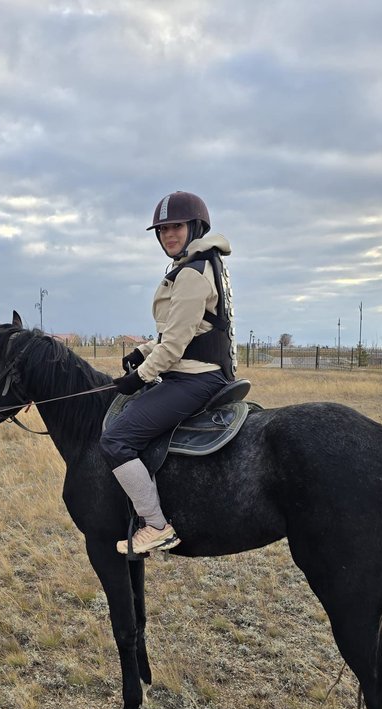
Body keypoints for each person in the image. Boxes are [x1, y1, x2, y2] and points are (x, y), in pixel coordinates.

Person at [100, 191, 236, 555]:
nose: (168, 235)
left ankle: (156, 525)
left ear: (195, 227)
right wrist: (144, 350)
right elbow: (184, 331)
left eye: (175, 226)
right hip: (201, 371)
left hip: (195, 378)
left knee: (116, 440)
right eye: (161, 230)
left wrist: (141, 375)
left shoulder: (192, 274)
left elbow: (175, 347)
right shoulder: (202, 265)